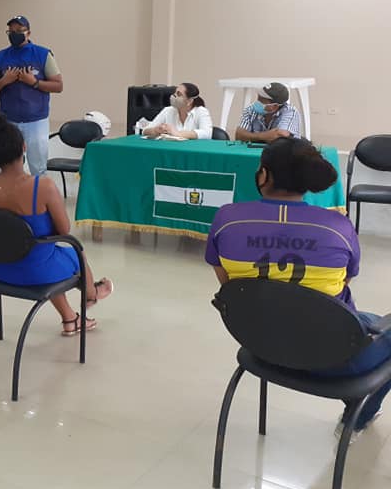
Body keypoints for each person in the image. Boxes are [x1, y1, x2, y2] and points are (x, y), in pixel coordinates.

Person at [205, 137, 388, 438]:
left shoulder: (226, 219)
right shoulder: (338, 227)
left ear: (264, 175)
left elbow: (228, 287)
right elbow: (343, 284)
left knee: (365, 320)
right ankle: (357, 418)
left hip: (260, 344)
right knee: (374, 324)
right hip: (333, 356)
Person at [0, 114, 112, 334]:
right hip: (34, 272)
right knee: (74, 252)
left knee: (41, 253)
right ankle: (91, 294)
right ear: (24, 147)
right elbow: (64, 230)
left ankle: (70, 319)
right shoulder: (43, 186)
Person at [0, 15, 63, 176]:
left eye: (19, 31)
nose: (15, 34)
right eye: (11, 31)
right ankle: (10, 192)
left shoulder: (43, 54)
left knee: (38, 168)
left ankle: (37, 192)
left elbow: (58, 86)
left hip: (36, 120)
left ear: (28, 33)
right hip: (8, 121)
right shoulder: (1, 57)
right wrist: (4, 81)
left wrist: (34, 82)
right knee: (7, 166)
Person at [234, 82, 302, 143]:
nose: (257, 102)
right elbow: (239, 135)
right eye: (258, 98)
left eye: (262, 101)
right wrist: (263, 136)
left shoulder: (290, 112)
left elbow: (281, 137)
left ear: (274, 106)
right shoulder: (251, 109)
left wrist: (250, 136)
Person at [141, 82, 213, 139]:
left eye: (179, 94)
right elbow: (145, 131)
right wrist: (156, 130)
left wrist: (178, 133)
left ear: (189, 101)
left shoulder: (201, 111)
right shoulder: (168, 110)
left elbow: (207, 134)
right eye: (175, 93)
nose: (174, 96)